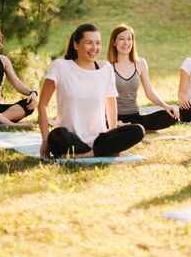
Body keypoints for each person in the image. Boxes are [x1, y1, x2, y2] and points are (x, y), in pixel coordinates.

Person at [38, 24, 144, 158]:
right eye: (89, 43)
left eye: (98, 43)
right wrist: (45, 141)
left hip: (98, 139)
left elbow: (111, 103)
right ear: (76, 45)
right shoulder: (60, 67)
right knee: (56, 136)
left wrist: (112, 135)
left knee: (138, 130)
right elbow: (42, 104)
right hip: (70, 139)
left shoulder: (106, 68)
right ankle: (99, 151)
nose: (94, 48)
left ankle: (87, 154)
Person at [107, 24, 178, 131]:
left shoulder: (140, 63)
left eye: (129, 39)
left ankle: (127, 126)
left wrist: (165, 106)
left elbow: (149, 92)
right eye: (121, 39)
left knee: (171, 115)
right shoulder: (107, 66)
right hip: (114, 117)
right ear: (114, 42)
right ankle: (123, 126)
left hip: (135, 117)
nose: (126, 43)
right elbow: (102, 98)